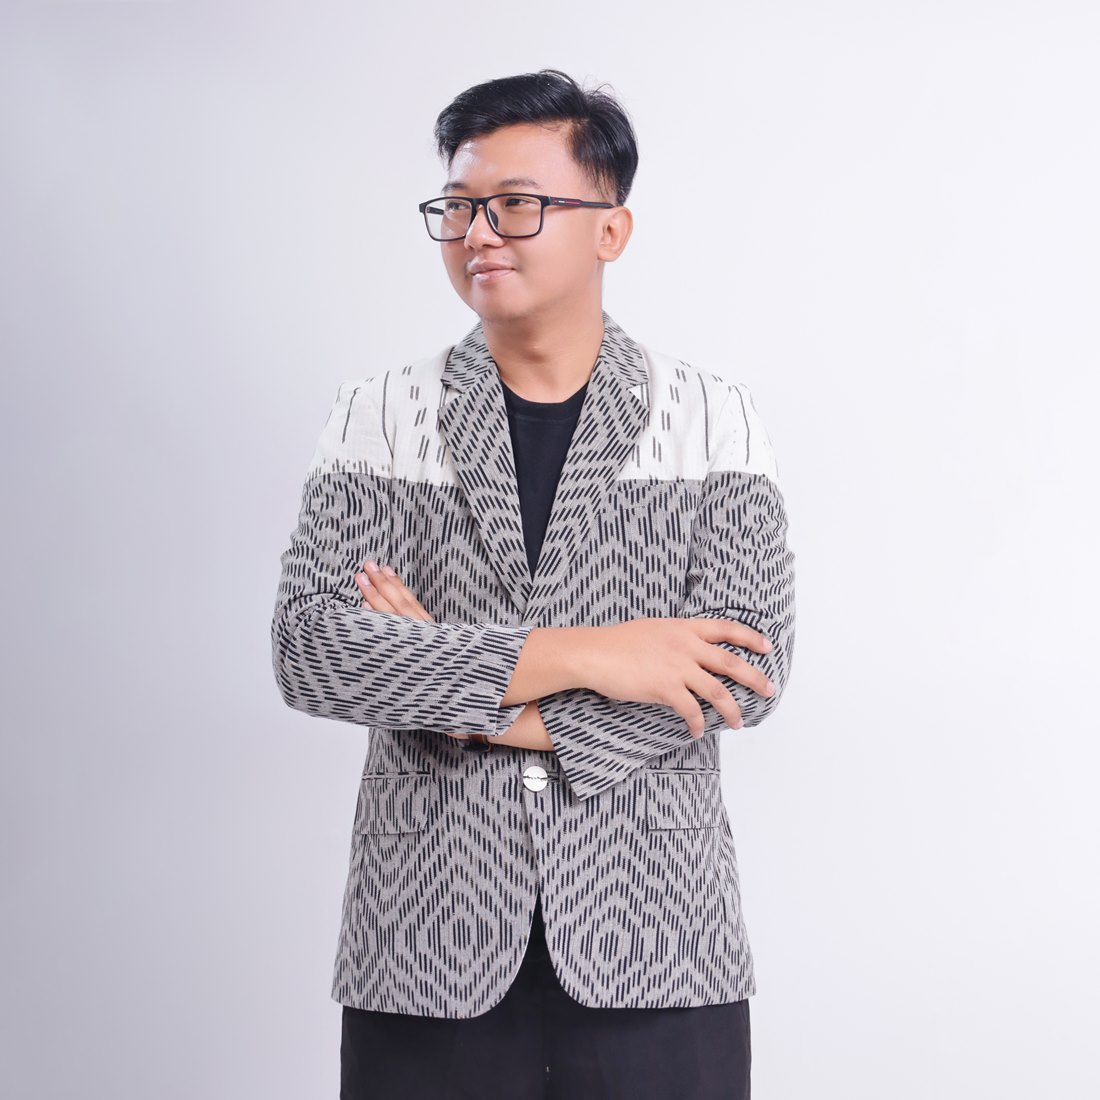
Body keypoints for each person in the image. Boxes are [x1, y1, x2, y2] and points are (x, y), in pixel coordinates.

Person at [272, 67, 796, 1099]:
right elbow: (314, 652)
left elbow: (740, 672)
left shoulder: (710, 417)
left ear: (611, 229)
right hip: (425, 938)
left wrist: (456, 698)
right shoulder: (380, 414)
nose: (478, 232)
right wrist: (599, 654)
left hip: (658, 937)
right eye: (458, 206)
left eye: (516, 204)